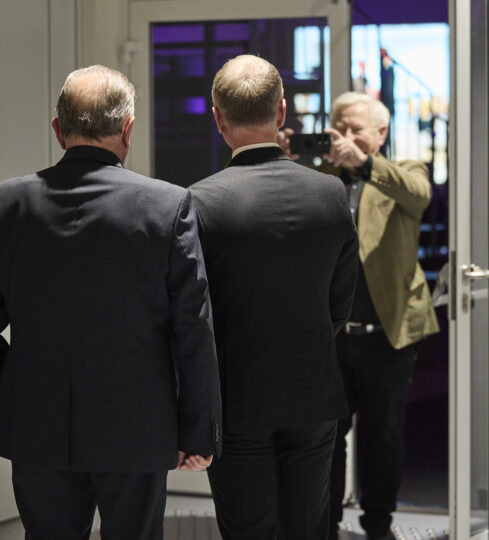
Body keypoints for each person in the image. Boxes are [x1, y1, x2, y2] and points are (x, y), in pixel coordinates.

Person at [0, 65, 222, 540]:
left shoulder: (9, 205)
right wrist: (197, 431)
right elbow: (192, 329)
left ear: (58, 129)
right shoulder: (168, 206)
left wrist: (12, 385)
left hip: (37, 423)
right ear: (128, 129)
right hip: (138, 426)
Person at [189, 55, 358, 540]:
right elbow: (339, 303)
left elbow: (193, 314)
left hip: (236, 399)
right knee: (308, 528)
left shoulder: (199, 201)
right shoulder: (330, 194)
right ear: (282, 111)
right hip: (313, 393)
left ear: (219, 118)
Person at [279, 92, 439, 540]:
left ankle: (378, 525)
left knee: (383, 436)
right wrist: (285, 161)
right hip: (331, 336)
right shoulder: (319, 178)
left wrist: (364, 164)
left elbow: (419, 196)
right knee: (326, 437)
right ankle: (325, 525)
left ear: (381, 133)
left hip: (388, 333)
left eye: (357, 129)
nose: (347, 137)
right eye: (340, 129)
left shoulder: (404, 171)